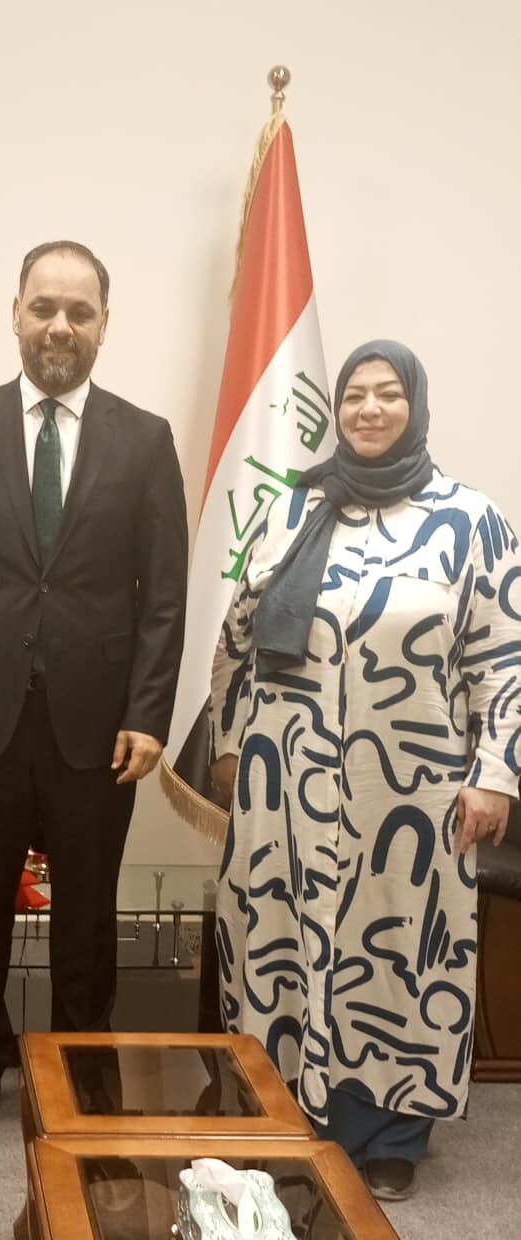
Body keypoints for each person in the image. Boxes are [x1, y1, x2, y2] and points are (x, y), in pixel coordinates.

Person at [210, 340, 520, 1201]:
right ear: (338, 411)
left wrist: (496, 771)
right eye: (355, 394)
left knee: (400, 952)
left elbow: (504, 660)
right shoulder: (292, 510)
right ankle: (280, 1110)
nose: (370, 408)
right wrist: (229, 744)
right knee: (277, 937)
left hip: (411, 790)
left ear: (415, 406)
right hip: (284, 778)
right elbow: (235, 641)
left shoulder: (471, 520)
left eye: (389, 394)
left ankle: (392, 1133)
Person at [0, 240, 188, 1152]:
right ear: (16, 314)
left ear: (104, 325)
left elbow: (164, 596)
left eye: (79, 310)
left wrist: (148, 715)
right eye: (44, 307)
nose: (60, 325)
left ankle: (82, 1075)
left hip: (98, 729)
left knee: (88, 917)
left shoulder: (145, 439)